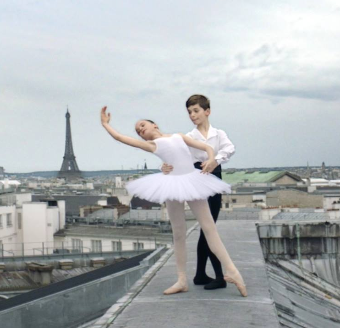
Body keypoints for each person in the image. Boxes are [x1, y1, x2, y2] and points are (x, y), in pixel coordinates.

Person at [100, 106, 246, 297]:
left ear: (154, 125)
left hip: (191, 180)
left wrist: (211, 160)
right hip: (172, 184)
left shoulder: (179, 136)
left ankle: (232, 271)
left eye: (142, 125)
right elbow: (120, 138)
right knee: (178, 233)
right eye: (137, 131)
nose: (140, 130)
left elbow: (207, 147)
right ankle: (182, 280)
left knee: (209, 228)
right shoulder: (152, 145)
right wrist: (105, 125)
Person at [162, 94, 235, 289]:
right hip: (198, 181)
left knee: (208, 229)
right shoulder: (190, 137)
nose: (192, 115)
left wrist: (215, 160)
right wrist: (166, 166)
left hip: (215, 179)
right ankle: (219, 276)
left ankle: (201, 274)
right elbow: (176, 156)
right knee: (209, 228)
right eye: (189, 112)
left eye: (196, 111)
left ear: (207, 111)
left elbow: (229, 149)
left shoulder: (219, 134)